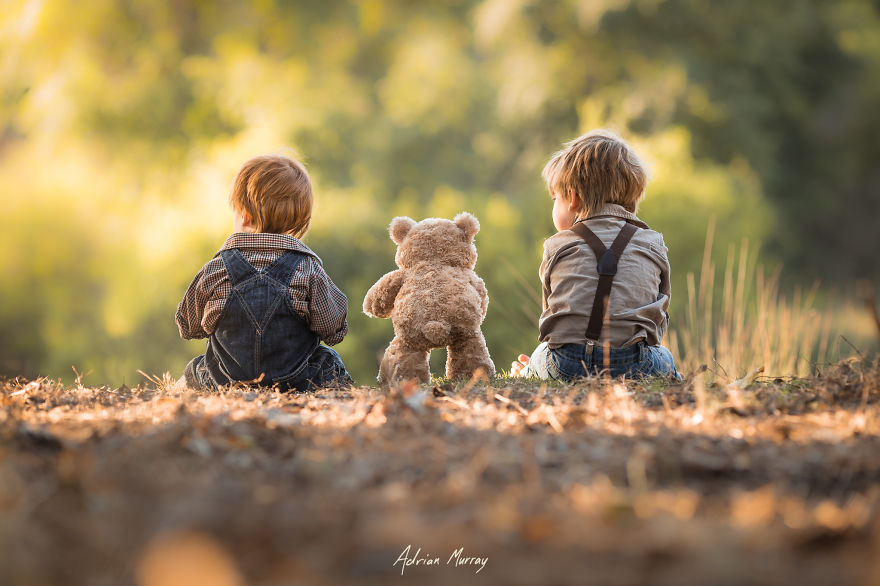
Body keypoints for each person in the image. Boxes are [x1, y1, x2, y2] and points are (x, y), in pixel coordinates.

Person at [511, 130, 681, 381]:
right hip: (634, 365)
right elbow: (659, 315)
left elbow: (553, 317)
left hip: (567, 365)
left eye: (555, 197)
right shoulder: (653, 242)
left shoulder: (557, 245)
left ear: (573, 199)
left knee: (542, 351)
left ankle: (526, 373)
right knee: (664, 355)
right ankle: (673, 378)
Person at [176, 154, 352, 391]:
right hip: (296, 383)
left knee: (197, 367)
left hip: (226, 383)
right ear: (300, 219)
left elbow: (188, 326)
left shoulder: (216, 269)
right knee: (330, 359)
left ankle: (181, 392)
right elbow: (333, 330)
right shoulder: (308, 269)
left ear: (244, 215)